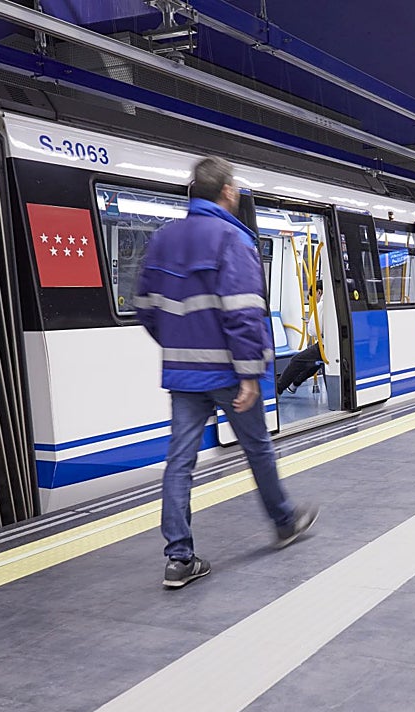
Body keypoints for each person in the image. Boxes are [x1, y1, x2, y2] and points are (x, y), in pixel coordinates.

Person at [135, 156, 318, 589]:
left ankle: (178, 558)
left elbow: (145, 308)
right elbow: (244, 313)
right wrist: (251, 373)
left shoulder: (164, 239)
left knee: (179, 462)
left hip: (182, 375)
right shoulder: (232, 239)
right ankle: (285, 520)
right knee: (257, 448)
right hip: (228, 373)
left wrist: (178, 346)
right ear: (227, 192)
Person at [276, 287, 325, 395]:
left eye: (314, 297)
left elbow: (313, 331)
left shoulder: (322, 305)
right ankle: (294, 385)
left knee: (296, 360)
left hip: (324, 345)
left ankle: (278, 389)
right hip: (330, 345)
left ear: (319, 291)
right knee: (314, 363)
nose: (315, 301)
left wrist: (311, 323)